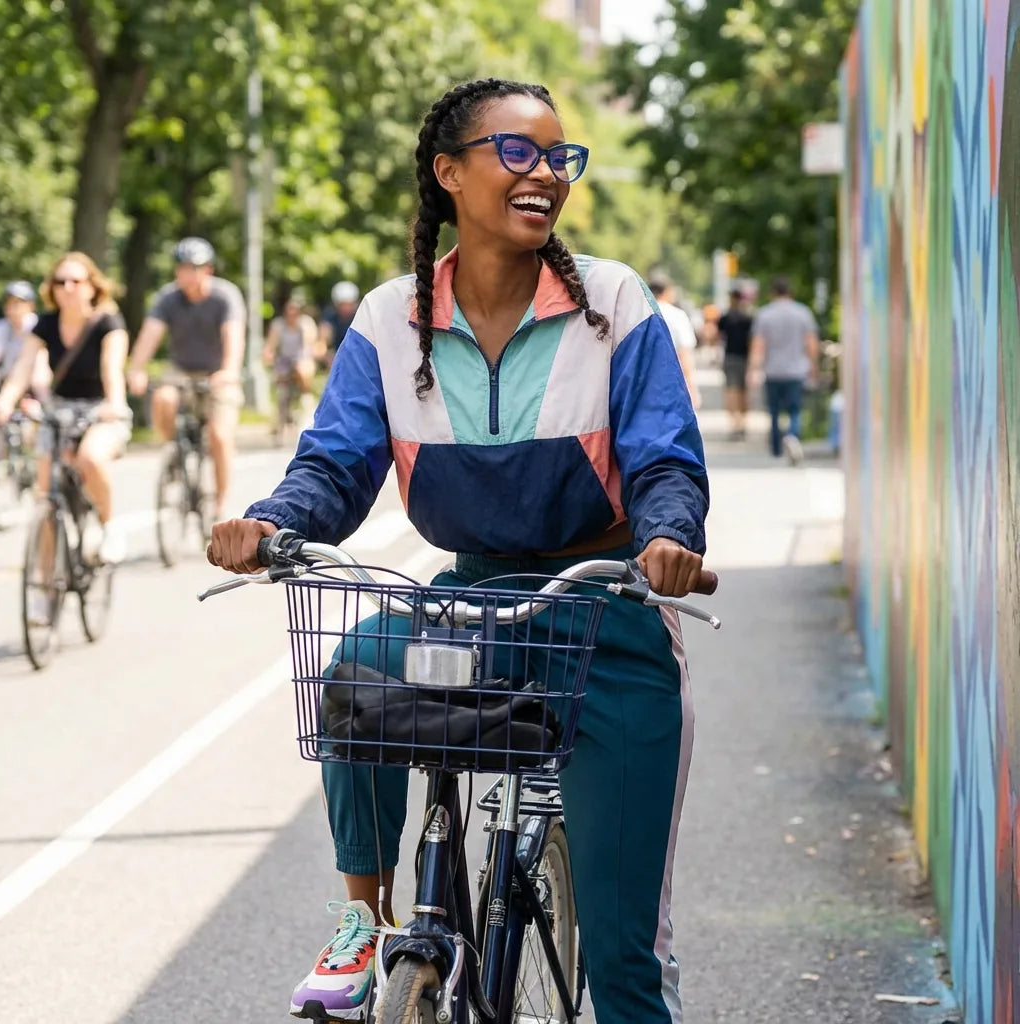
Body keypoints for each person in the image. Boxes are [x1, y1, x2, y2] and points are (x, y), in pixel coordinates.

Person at [208, 78, 709, 1024]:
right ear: (448, 172)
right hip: (473, 600)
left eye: (559, 157)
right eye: (518, 151)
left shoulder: (611, 301)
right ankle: (366, 924)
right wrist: (272, 524)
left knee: (624, 960)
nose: (545, 173)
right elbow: (336, 464)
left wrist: (668, 539)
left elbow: (665, 460)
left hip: (604, 608)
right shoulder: (390, 318)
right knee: (355, 672)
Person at [0, 253, 132, 570]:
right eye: (60, 281)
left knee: (90, 458)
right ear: (52, 288)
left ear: (92, 287)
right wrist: (5, 400)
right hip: (58, 411)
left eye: (75, 281)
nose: (67, 287)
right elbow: (23, 369)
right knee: (45, 497)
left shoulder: (107, 323)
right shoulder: (45, 324)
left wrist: (114, 402)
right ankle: (45, 584)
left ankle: (110, 527)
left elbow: (112, 369)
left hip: (100, 410)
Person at [127, 237, 246, 520]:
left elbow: (234, 336)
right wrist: (137, 368)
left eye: (194, 268)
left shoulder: (225, 296)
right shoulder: (168, 298)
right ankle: (174, 451)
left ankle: (220, 501)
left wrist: (229, 371)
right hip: (182, 370)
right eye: (181, 268)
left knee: (219, 435)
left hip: (217, 373)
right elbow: (150, 334)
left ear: (208, 270)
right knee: (163, 398)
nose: (187, 274)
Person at [748, 276, 819, 464]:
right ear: (790, 292)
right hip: (797, 370)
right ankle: (793, 437)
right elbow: (811, 343)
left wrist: (754, 369)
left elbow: (758, 346)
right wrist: (813, 366)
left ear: (773, 292)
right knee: (795, 409)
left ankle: (776, 449)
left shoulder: (764, 314)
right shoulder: (803, 313)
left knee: (774, 410)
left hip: (772, 371)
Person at [264, 293, 318, 436]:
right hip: (284, 361)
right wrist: (268, 355)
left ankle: (306, 397)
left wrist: (303, 361)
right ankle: (278, 422)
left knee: (303, 371)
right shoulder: (278, 325)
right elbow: (271, 345)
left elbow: (308, 345)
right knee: (280, 389)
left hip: (302, 359)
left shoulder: (305, 324)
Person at [648, 271, 701, 411]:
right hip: (672, 382)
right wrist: (692, 388)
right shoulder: (677, 315)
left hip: (645, 382)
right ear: (666, 291)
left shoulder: (640, 313)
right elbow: (685, 352)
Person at [717, 288, 753, 440]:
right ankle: (743, 424)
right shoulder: (748, 318)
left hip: (730, 357)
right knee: (744, 391)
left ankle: (733, 424)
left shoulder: (725, 318)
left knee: (731, 390)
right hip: (745, 358)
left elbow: (718, 337)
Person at [317, 280, 359, 368]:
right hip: (335, 354)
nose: (346, 308)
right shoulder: (329, 315)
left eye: (349, 304)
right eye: (342, 304)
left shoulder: (360, 316)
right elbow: (323, 340)